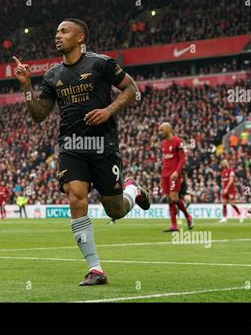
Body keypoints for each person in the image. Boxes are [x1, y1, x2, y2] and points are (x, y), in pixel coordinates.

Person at [14, 18, 151, 286]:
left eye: (64, 31)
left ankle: (132, 190)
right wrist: (26, 87)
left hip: (102, 144)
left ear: (79, 38)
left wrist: (108, 110)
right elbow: (39, 115)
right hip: (71, 146)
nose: (58, 35)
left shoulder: (101, 63)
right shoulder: (52, 75)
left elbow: (132, 90)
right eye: (56, 32)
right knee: (76, 197)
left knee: (115, 210)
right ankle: (95, 269)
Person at [159, 123, 193, 232]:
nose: (160, 133)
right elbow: (165, 161)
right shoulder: (163, 144)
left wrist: (176, 172)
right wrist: (162, 177)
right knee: (169, 199)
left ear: (168, 130)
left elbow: (182, 159)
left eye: (161, 130)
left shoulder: (178, 142)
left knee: (174, 197)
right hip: (165, 174)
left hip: (174, 174)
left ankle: (188, 216)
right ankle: (174, 225)